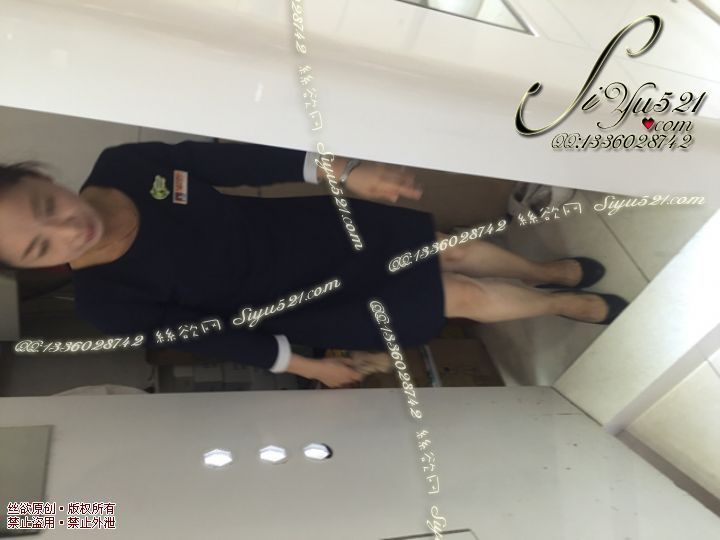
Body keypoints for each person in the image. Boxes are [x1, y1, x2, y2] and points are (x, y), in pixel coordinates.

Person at [0, 140, 628, 388]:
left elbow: (236, 163)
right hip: (307, 302)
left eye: (47, 206)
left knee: (450, 249)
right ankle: (560, 302)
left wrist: (345, 172)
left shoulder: (125, 165)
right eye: (41, 247)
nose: (69, 229)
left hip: (311, 229)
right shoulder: (105, 302)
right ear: (35, 268)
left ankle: (547, 272)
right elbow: (214, 335)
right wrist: (307, 366)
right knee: (456, 293)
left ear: (42, 177)